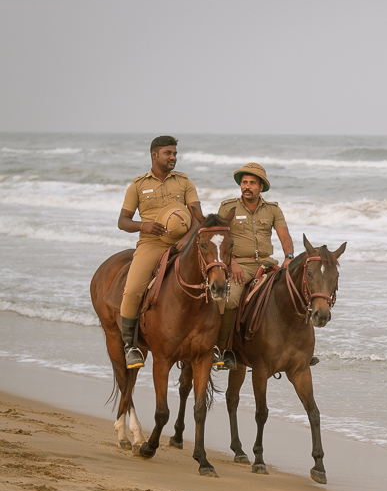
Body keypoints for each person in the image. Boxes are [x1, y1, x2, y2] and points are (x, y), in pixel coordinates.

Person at [117, 135, 203, 369]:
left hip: (184, 245)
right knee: (133, 289)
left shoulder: (185, 182)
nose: (173, 157)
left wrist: (187, 238)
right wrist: (142, 225)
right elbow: (123, 222)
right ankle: (130, 346)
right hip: (151, 244)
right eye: (168, 153)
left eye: (175, 153)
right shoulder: (138, 185)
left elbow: (198, 218)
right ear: (155, 155)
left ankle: (211, 344)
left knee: (213, 281)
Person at [215, 162, 295, 369]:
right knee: (231, 298)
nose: (247, 186)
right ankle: (223, 349)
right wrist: (231, 263)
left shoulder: (273, 209)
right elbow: (219, 238)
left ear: (261, 187)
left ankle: (299, 348)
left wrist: (288, 257)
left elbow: (284, 234)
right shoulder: (227, 207)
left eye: (252, 183)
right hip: (239, 263)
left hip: (268, 263)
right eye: (244, 182)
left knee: (296, 292)